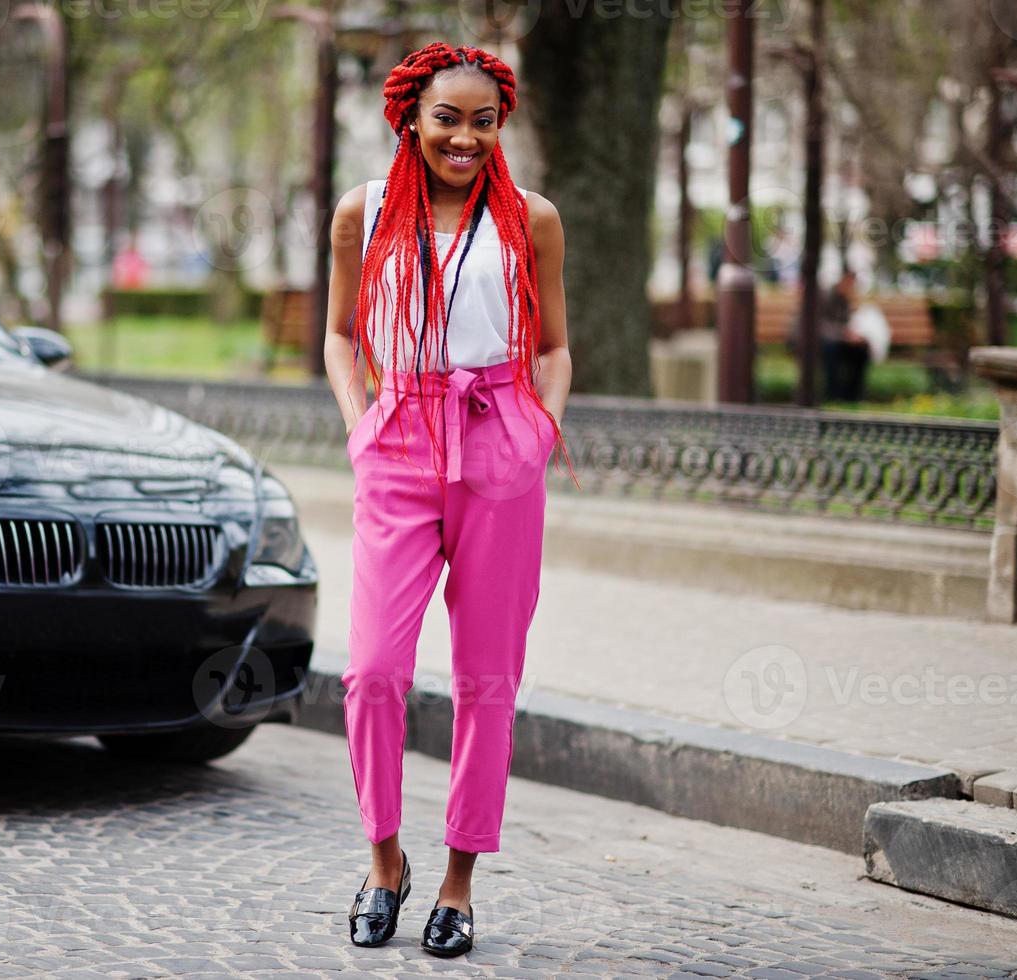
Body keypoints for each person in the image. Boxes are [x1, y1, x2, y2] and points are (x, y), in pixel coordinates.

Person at [324, 42, 580, 958]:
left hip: (498, 440)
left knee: (486, 679)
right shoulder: (365, 211)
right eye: (447, 119)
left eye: (483, 121)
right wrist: (363, 427)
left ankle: (458, 881)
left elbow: (553, 344)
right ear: (410, 118)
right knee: (373, 671)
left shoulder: (530, 220)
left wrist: (537, 432)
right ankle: (383, 860)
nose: (465, 138)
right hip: (398, 440)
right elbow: (341, 335)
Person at [815, 270, 869, 401]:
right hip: (819, 341)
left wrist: (853, 335)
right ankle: (832, 394)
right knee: (831, 350)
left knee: (861, 350)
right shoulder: (825, 296)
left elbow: (847, 323)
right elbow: (818, 325)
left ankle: (852, 395)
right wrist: (843, 334)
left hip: (838, 340)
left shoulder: (845, 299)